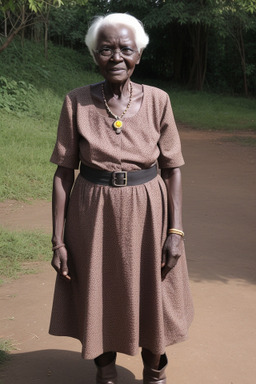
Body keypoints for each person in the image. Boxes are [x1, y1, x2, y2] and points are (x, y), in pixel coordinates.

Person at [49, 13, 193, 384]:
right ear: (94, 55)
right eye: (106, 49)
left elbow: (172, 168)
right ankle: (106, 372)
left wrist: (175, 233)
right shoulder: (76, 102)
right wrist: (58, 240)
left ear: (139, 55)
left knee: (153, 293)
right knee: (99, 290)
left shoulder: (159, 100)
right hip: (92, 217)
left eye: (125, 49)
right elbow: (64, 172)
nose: (116, 57)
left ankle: (155, 372)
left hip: (149, 215)